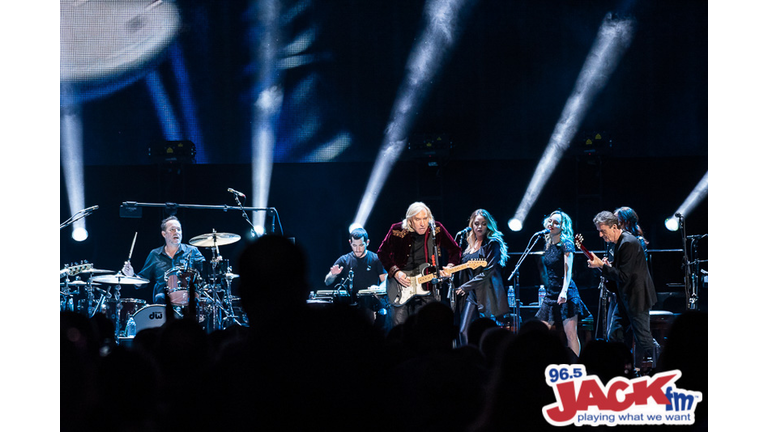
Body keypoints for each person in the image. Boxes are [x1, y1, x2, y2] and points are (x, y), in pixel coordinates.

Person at [587, 211, 657, 369]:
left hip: (637, 298)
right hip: (624, 297)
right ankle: (619, 368)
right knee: (615, 334)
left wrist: (602, 266)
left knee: (643, 339)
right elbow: (623, 271)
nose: (600, 235)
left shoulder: (628, 243)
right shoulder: (618, 242)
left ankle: (664, 363)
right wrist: (606, 266)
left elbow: (624, 276)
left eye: (602, 231)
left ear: (613, 227)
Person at [377, 202, 462, 328]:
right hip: (400, 286)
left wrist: (450, 266)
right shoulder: (397, 230)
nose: (422, 223)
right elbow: (382, 252)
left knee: (427, 328)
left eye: (425, 218)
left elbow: (455, 249)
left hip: (427, 286)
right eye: (418, 219)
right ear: (410, 220)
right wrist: (396, 273)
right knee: (400, 328)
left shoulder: (436, 229)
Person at [534, 210, 589, 359]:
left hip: (566, 291)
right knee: (541, 331)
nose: (551, 224)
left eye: (556, 222)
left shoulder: (567, 244)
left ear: (562, 227)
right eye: (550, 221)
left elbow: (568, 271)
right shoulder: (548, 244)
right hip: (551, 293)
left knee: (570, 334)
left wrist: (564, 291)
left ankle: (575, 365)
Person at [453, 209, 509, 346]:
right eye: (476, 223)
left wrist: (465, 287)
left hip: (487, 292)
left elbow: (488, 271)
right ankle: (468, 356)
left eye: (483, 224)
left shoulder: (492, 243)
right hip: (472, 294)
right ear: (472, 225)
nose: (480, 227)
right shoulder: (469, 246)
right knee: (463, 331)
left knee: (488, 331)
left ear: (488, 225)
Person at [122, 216, 206, 305]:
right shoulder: (155, 254)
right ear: (164, 234)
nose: (176, 232)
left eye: (178, 229)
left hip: (188, 297)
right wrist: (131, 275)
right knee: (160, 297)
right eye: (172, 229)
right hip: (163, 300)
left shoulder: (192, 251)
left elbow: (206, 271)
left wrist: (215, 264)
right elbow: (142, 281)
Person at [324, 227, 388, 329]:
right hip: (350, 304)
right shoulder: (344, 260)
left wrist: (379, 288)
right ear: (350, 243)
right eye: (354, 245)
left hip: (371, 303)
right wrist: (333, 275)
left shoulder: (376, 259)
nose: (357, 249)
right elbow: (327, 281)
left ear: (367, 242)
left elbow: (385, 281)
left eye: (361, 245)